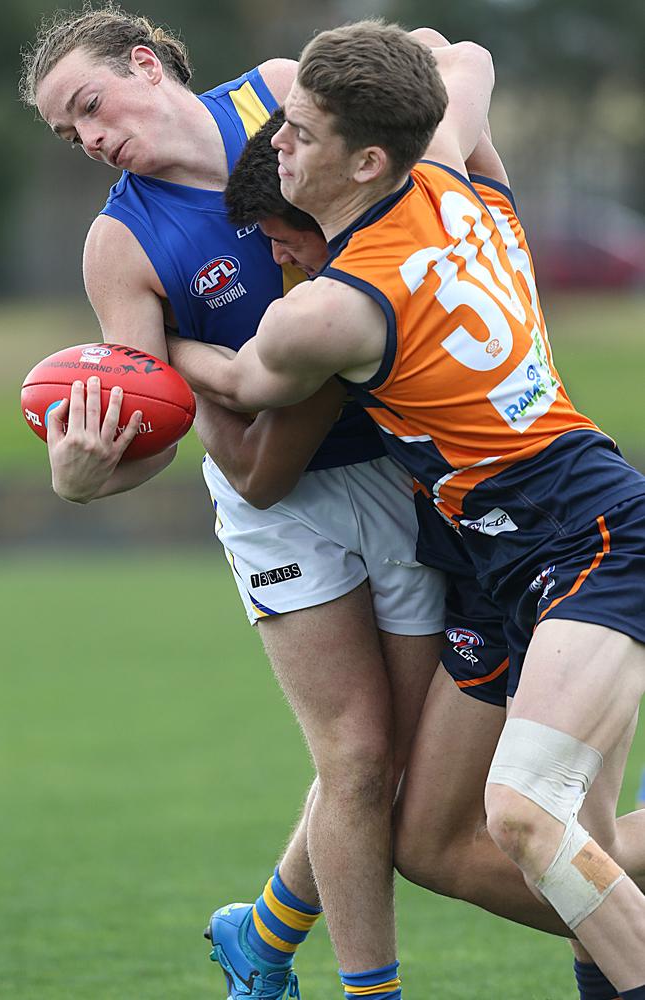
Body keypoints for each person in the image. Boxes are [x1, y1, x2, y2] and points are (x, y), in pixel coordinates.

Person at [165, 21, 645, 998]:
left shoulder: (325, 311)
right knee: (501, 845)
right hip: (497, 554)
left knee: (522, 817)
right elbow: (463, 58)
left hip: (580, 526)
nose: (278, 142)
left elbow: (245, 389)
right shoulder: (434, 166)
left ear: (365, 157)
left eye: (299, 131)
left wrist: (151, 353)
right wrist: (396, 59)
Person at [21, 9, 461, 999]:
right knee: (351, 759)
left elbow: (424, 116)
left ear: (145, 63)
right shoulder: (118, 242)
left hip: (396, 460)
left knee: (396, 768)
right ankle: (366, 991)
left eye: (88, 107)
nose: (88, 139)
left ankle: (261, 931)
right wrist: (83, 479)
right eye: (67, 134)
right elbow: (150, 425)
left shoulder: (277, 95)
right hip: (274, 496)